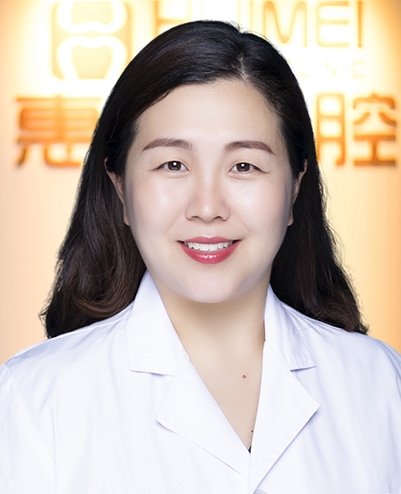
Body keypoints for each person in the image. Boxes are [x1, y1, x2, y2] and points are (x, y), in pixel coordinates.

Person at [1, 20, 400, 494]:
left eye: (244, 165)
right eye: (173, 165)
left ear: (295, 187)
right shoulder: (32, 399)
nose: (207, 207)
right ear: (121, 188)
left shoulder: (379, 382)